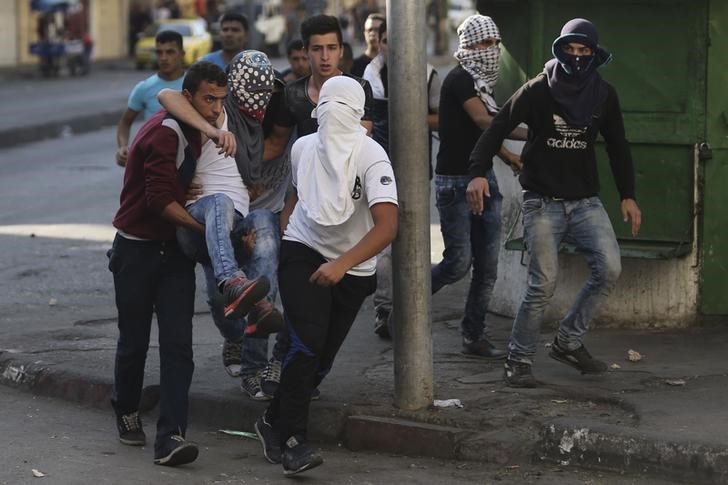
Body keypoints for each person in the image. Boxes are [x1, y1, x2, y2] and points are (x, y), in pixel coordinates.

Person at [467, 18, 642, 387]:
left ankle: (567, 341)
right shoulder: (537, 90)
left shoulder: (603, 96)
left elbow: (618, 147)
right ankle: (518, 359)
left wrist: (628, 195)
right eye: (570, 50)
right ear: (559, 50)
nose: (576, 57)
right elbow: (497, 126)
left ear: (594, 55)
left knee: (609, 268)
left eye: (584, 51)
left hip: (585, 202)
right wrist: (478, 172)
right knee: (543, 282)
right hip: (542, 202)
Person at [254, 75, 398, 476]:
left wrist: (341, 265)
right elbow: (297, 199)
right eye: (327, 108)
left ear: (358, 116)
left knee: (322, 357)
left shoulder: (372, 156)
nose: (334, 118)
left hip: (354, 266)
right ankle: (293, 442)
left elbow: (387, 227)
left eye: (344, 110)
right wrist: (285, 240)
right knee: (306, 342)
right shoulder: (302, 148)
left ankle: (272, 419)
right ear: (318, 113)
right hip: (303, 250)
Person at [109, 61, 231, 467]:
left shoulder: (199, 129)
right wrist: (202, 226)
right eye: (208, 99)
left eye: (220, 100)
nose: (215, 108)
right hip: (137, 250)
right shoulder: (166, 131)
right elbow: (159, 202)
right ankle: (126, 408)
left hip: (174, 254)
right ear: (189, 97)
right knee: (134, 343)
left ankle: (171, 437)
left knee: (179, 346)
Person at [259, 13, 375, 400]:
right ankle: (287, 365)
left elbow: (364, 138)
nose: (325, 57)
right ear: (304, 52)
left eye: (331, 48)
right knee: (300, 296)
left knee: (335, 308)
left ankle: (307, 376)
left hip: (349, 212)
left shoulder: (358, 88)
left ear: (341, 50)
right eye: (316, 49)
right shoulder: (291, 95)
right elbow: (274, 147)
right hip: (303, 208)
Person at [158, 54, 284, 400]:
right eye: (252, 88)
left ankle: (254, 362)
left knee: (268, 232)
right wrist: (212, 129)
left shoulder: (252, 128)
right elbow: (167, 96)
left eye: (265, 89)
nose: (260, 96)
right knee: (220, 297)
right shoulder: (212, 111)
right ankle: (232, 286)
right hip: (200, 217)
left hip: (239, 220)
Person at [428, 15, 528, 358]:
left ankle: (473, 335)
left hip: (485, 179)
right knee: (458, 263)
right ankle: (406, 304)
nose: (491, 50)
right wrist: (534, 131)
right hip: (455, 183)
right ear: (467, 46)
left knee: (488, 268)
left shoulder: (482, 84)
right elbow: (485, 121)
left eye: (495, 43)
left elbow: (484, 135)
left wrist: (507, 157)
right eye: (484, 43)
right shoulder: (459, 79)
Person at [362, 20, 440, 339]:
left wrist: (409, 115)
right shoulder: (370, 77)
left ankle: (411, 304)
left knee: (414, 239)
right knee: (384, 242)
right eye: (386, 41)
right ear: (379, 44)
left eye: (400, 41)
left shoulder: (429, 74)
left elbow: (440, 117)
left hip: (416, 168)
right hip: (380, 168)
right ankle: (385, 309)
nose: (391, 48)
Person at [115, 30, 185, 167]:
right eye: (159, 52)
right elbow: (125, 123)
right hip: (153, 160)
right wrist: (122, 147)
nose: (164, 58)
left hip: (186, 160)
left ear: (182, 54)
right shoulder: (144, 87)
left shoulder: (193, 85)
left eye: (170, 52)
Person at [350, 12, 384, 77]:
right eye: (370, 30)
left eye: (377, 29)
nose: (373, 33)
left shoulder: (390, 65)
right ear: (365, 33)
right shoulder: (354, 66)